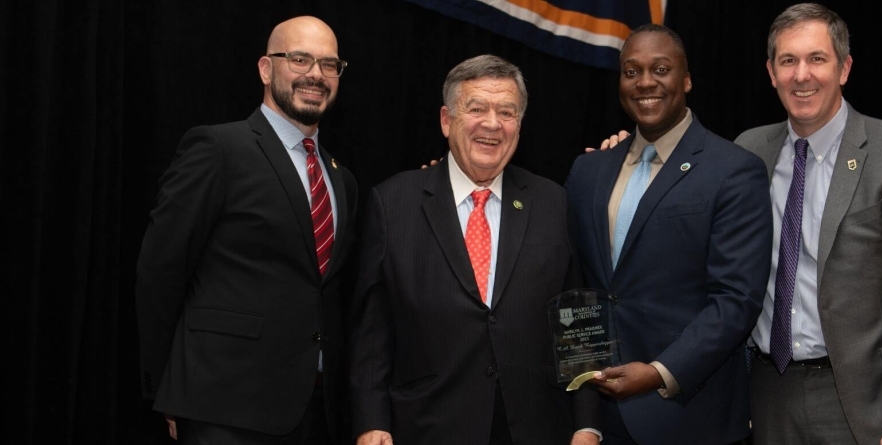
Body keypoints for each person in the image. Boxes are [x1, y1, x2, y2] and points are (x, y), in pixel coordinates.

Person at [733, 4, 882, 444]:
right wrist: (629, 161)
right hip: (766, 394)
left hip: (869, 404)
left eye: (817, 58)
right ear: (771, 72)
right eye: (788, 61)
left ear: (844, 68)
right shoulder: (748, 152)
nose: (802, 75)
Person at [348, 54, 600, 445]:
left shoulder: (554, 203)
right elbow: (373, 332)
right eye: (477, 108)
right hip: (426, 426)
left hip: (536, 428)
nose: (492, 124)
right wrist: (371, 422)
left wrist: (586, 424)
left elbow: (577, 324)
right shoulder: (392, 201)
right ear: (447, 120)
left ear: (520, 125)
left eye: (507, 111)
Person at [134, 16, 356, 444]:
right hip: (221, 407)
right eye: (299, 59)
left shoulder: (340, 178)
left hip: (313, 413)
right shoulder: (218, 149)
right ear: (266, 69)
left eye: (330, 65)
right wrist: (167, 388)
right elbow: (160, 271)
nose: (316, 74)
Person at [566, 24, 772, 445]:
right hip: (597, 416)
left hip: (688, 413)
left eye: (661, 68)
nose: (645, 82)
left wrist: (660, 372)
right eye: (631, 70)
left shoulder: (733, 170)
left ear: (687, 79)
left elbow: (737, 299)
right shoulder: (588, 171)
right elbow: (573, 281)